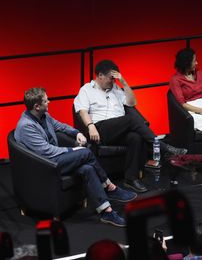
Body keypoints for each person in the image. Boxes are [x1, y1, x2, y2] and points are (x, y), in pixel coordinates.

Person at [14, 88, 136, 227]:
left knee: (88, 168)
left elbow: (60, 126)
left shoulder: (44, 115)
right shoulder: (26, 126)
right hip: (45, 165)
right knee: (85, 153)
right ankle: (109, 187)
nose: (49, 102)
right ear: (36, 106)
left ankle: (106, 211)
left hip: (54, 159)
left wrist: (76, 133)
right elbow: (47, 151)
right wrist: (72, 150)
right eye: (46, 100)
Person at [74, 59, 187, 193]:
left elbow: (132, 103)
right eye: (111, 78)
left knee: (135, 137)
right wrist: (91, 126)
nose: (113, 81)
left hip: (119, 129)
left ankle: (130, 179)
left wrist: (124, 83)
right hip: (100, 130)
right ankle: (163, 147)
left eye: (115, 79)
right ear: (100, 75)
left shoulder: (116, 88)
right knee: (131, 120)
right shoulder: (87, 89)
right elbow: (82, 110)